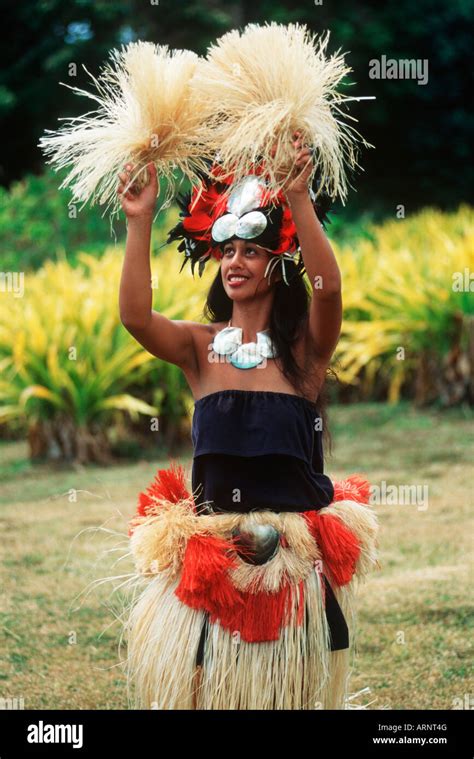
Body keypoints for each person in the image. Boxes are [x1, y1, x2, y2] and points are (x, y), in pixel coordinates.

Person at [118, 134, 380, 710]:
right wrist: (140, 221)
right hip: (216, 558)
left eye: (252, 250)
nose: (236, 260)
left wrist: (299, 196)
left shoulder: (304, 353)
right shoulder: (198, 347)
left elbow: (328, 287)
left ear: (275, 261)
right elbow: (135, 316)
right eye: (227, 249)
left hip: (288, 563)